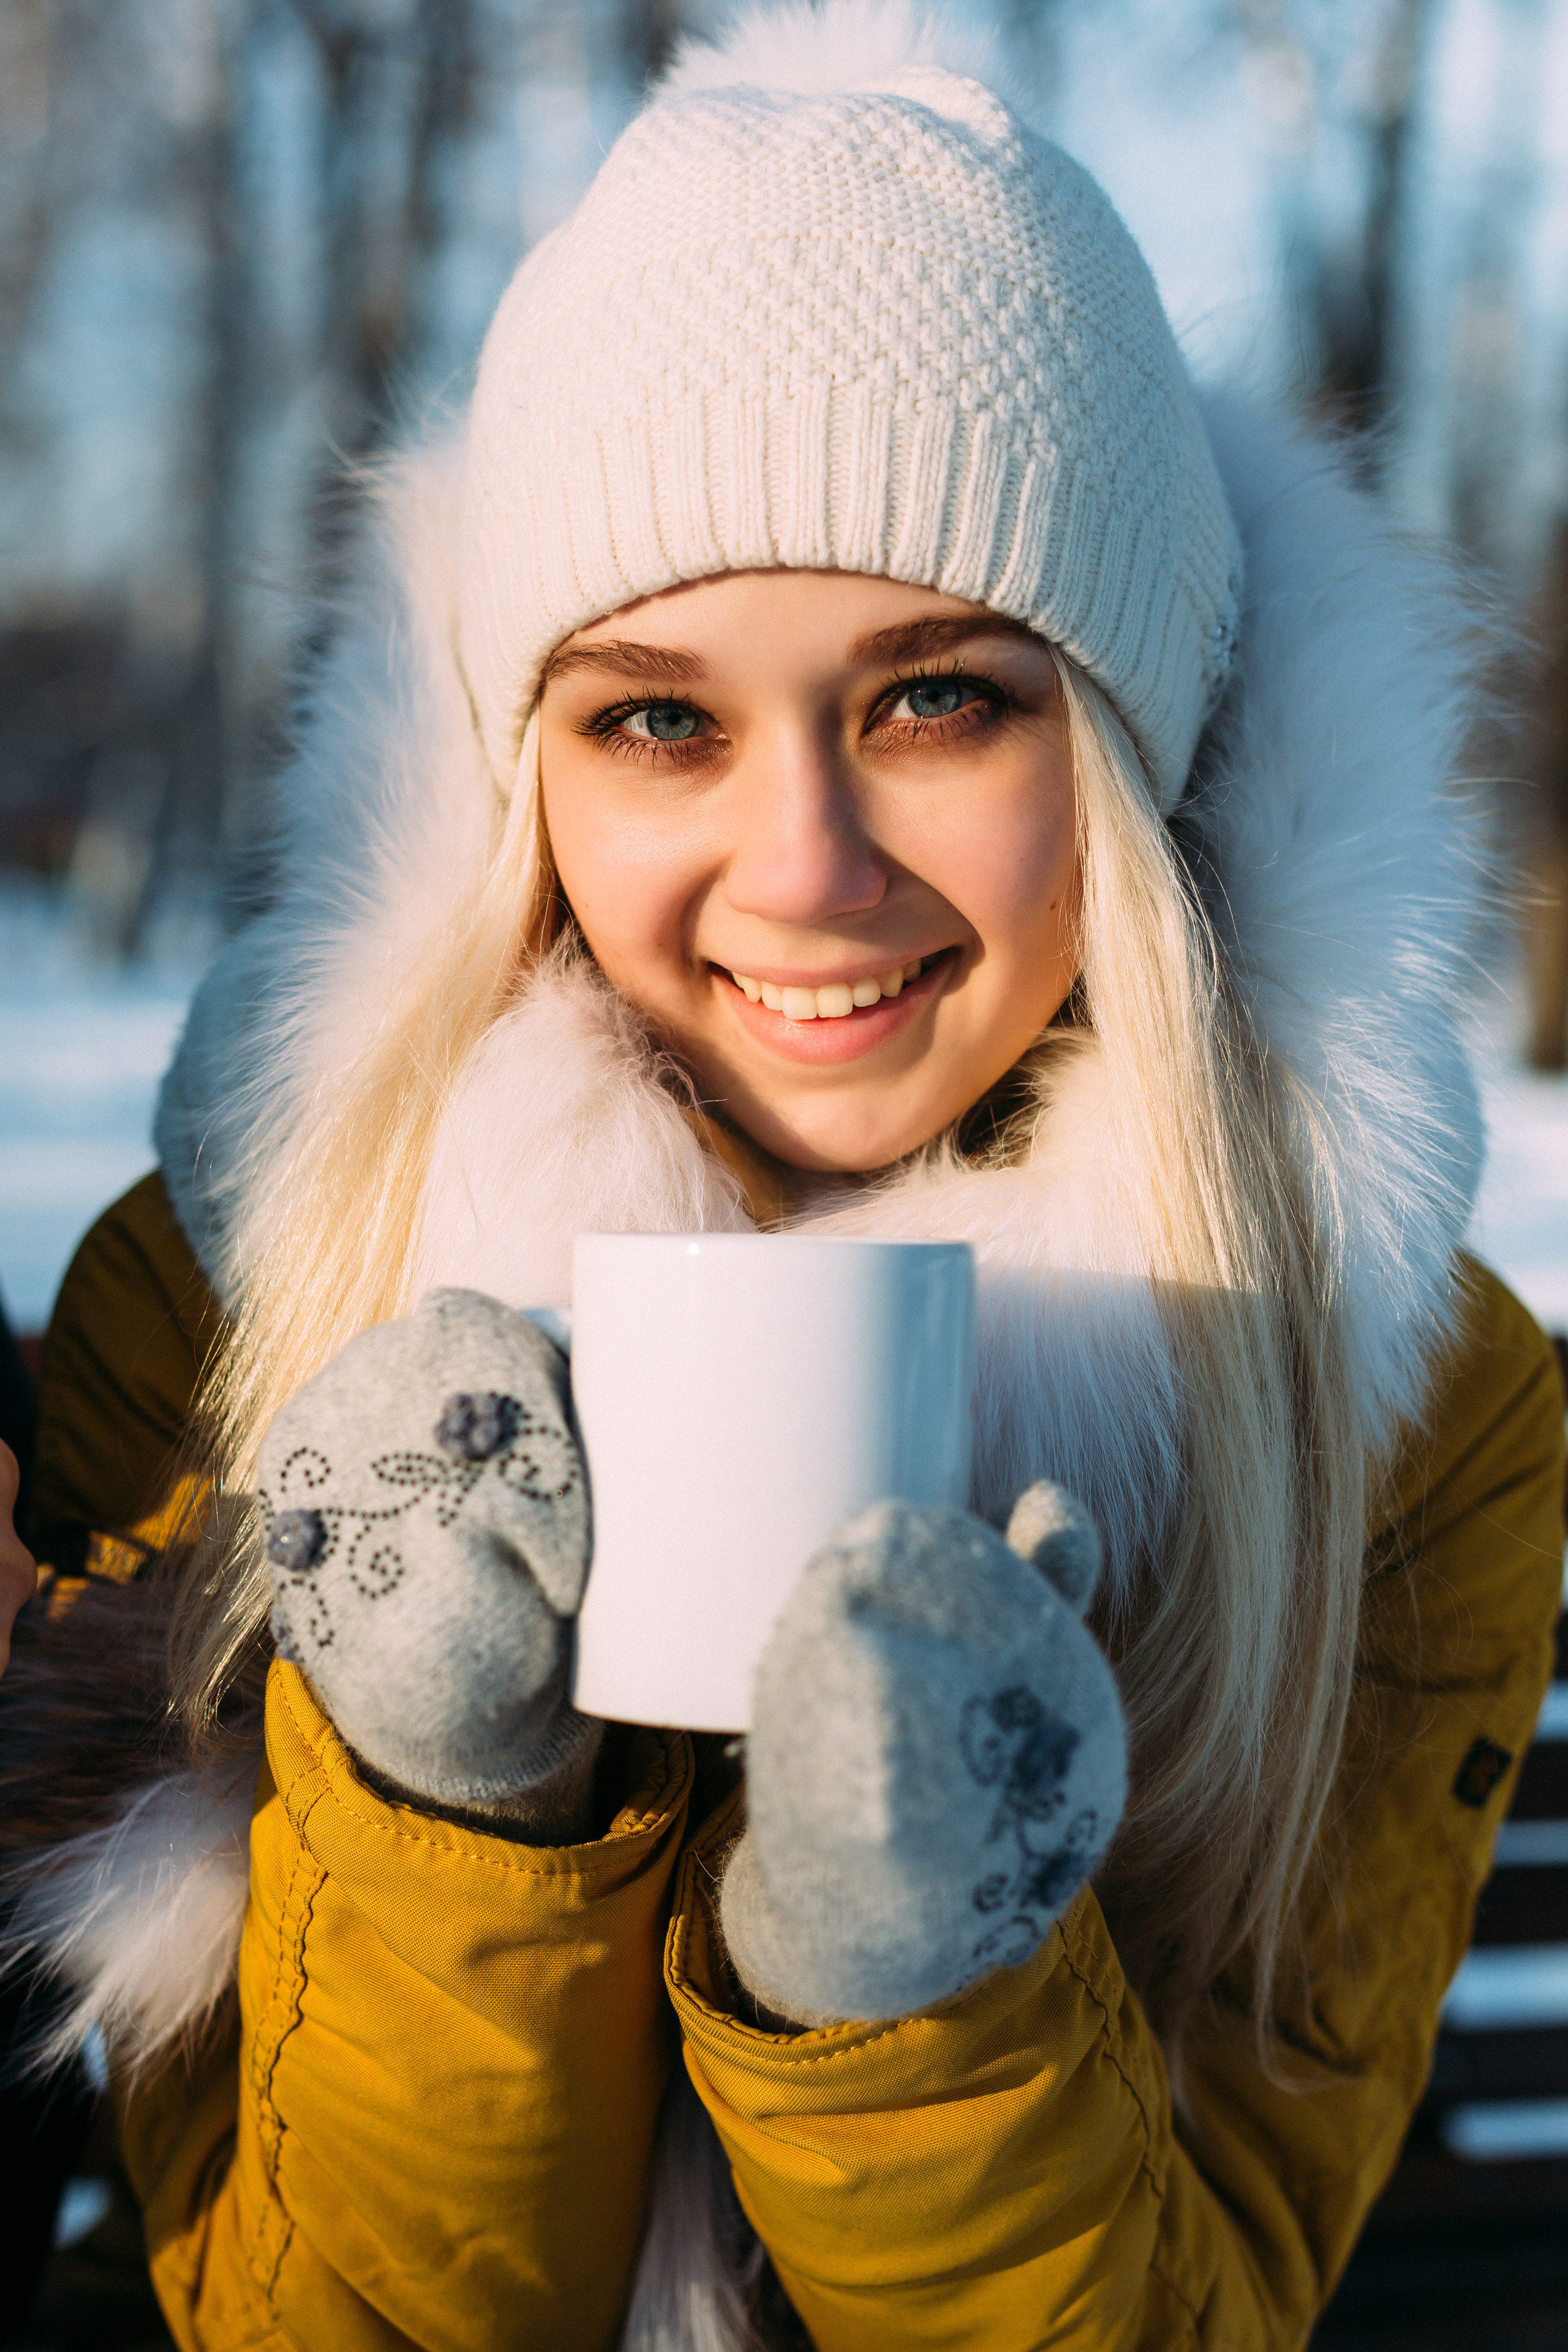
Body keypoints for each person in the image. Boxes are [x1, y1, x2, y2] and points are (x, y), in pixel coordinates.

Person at [3, 4, 1564, 2346]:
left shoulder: (1400, 1399)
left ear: (1136, 748)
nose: (808, 868)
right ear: (523, 772)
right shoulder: (252, 1290)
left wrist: (910, 1987)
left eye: (940, 697)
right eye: (660, 718)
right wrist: (455, 1807)